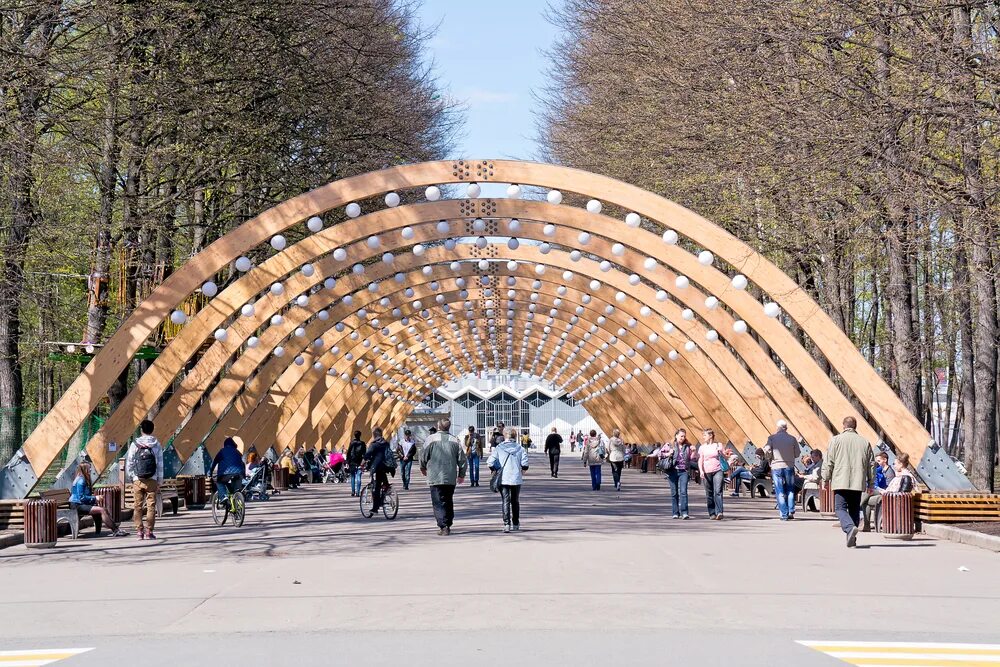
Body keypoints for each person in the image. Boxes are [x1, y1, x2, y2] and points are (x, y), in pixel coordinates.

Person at [821, 416, 875, 548]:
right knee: (854, 509)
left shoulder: (836, 440)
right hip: (858, 481)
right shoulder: (864, 442)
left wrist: (825, 478)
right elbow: (871, 465)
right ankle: (851, 537)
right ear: (855, 426)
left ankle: (850, 528)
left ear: (843, 426)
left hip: (841, 480)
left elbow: (829, 462)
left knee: (840, 508)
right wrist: (871, 482)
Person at [419, 419, 466, 535]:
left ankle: (443, 526)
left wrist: (423, 467)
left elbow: (423, 455)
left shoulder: (430, 439)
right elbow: (462, 460)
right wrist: (461, 475)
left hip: (435, 476)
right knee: (448, 500)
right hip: (450, 477)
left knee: (437, 502)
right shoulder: (455, 440)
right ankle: (448, 523)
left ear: (438, 426)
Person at [125, 419, 163, 540]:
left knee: (138, 506)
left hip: (138, 478)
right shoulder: (156, 444)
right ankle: (149, 531)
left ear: (141, 430)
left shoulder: (135, 444)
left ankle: (139, 531)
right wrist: (159, 481)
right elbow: (160, 464)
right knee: (151, 506)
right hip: (152, 479)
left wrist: (131, 477)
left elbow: (130, 462)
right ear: (152, 430)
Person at [487, 427, 530, 532]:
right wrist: (523, 470)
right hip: (516, 477)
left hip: (504, 477)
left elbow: (490, 462)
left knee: (505, 500)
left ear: (504, 436)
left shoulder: (499, 448)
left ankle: (506, 524)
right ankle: (516, 523)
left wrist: (493, 470)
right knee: (515, 501)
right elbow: (525, 464)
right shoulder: (520, 448)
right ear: (515, 436)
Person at [69, 462, 127, 537]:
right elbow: (81, 497)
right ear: (84, 470)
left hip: (80, 503)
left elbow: (85, 496)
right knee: (101, 510)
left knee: (101, 509)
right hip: (77, 505)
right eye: (89, 469)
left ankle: (109, 530)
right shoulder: (81, 480)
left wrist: (94, 500)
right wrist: (95, 498)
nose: (90, 470)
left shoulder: (82, 478)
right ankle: (115, 530)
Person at [765, 419, 799, 520]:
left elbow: (767, 449)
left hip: (776, 466)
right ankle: (791, 510)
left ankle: (784, 514)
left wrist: (770, 456)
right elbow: (797, 454)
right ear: (786, 428)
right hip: (789, 466)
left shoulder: (772, 438)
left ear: (778, 428)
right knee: (790, 489)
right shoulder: (792, 439)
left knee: (779, 490)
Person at [660, 429, 697, 519]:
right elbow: (660, 454)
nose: (683, 438)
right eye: (681, 436)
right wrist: (669, 453)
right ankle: (675, 512)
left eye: (684, 436)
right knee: (674, 493)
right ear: (676, 436)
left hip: (683, 471)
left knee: (683, 492)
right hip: (672, 471)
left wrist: (694, 452)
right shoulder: (669, 445)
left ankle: (684, 512)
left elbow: (691, 459)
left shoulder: (687, 446)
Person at [862, 451, 897, 531]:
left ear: (885, 460)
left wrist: (878, 488)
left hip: (886, 494)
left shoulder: (889, 472)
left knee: (868, 491)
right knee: (866, 501)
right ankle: (866, 526)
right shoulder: (879, 470)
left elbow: (888, 488)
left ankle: (854, 509)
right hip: (878, 494)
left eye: (879, 461)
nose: (877, 463)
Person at [697, 427, 726, 520]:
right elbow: (700, 459)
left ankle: (719, 512)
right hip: (706, 471)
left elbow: (725, 456)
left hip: (718, 470)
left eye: (704, 435)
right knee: (709, 493)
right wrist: (701, 471)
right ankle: (712, 513)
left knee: (718, 491)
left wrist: (721, 450)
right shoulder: (702, 447)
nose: (703, 437)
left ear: (710, 436)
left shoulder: (718, 445)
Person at [362, 428, 393, 514]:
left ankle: (375, 508)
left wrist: (362, 463)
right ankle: (386, 487)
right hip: (386, 466)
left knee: (376, 487)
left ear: (374, 435)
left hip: (377, 466)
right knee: (383, 480)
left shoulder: (374, 444)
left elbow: (367, 455)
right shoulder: (386, 443)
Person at [210, 437, 247, 504]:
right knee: (236, 490)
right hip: (239, 473)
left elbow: (214, 462)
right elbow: (242, 463)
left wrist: (210, 472)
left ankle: (224, 496)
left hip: (225, 473)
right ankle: (238, 505)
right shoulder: (237, 452)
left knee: (219, 482)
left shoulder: (222, 451)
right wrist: (243, 475)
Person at [346, 431, 366, 497]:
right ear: (360, 435)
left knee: (352, 476)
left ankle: (353, 491)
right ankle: (358, 492)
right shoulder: (362, 444)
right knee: (359, 477)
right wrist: (364, 462)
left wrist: (347, 461)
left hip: (352, 462)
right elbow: (365, 454)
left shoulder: (352, 443)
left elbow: (348, 453)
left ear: (354, 436)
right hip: (359, 462)